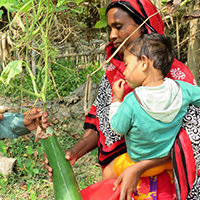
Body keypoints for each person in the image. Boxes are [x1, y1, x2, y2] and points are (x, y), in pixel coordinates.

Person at [44, 0, 199, 199]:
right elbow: (102, 126)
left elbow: (193, 139)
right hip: (121, 178)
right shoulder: (114, 75)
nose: (112, 35)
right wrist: (74, 152)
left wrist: (140, 167)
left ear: (143, 27)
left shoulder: (177, 76)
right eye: (110, 28)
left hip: (168, 182)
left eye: (118, 27)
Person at [102, 33, 200, 183]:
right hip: (169, 160)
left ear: (143, 63)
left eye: (127, 65)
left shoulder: (132, 101)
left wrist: (116, 99)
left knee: (107, 172)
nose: (125, 71)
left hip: (137, 161)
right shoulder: (183, 90)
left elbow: (117, 128)